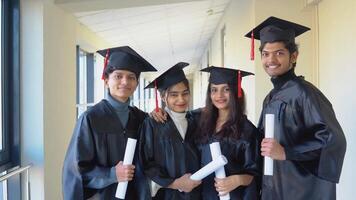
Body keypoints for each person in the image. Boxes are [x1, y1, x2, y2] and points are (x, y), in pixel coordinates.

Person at [245, 16, 347, 200]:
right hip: (275, 187)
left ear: (294, 56)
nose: (271, 59)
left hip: (300, 190)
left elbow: (333, 140)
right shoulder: (271, 97)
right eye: (266, 54)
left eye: (279, 53)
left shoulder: (304, 93)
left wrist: (286, 152)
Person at [62, 46, 163, 200]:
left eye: (131, 77)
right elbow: (76, 171)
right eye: (118, 76)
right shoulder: (90, 119)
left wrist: (159, 119)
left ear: (136, 84)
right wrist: (111, 174)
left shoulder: (141, 119)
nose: (125, 82)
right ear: (106, 80)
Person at [195, 66, 261, 200]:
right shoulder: (201, 122)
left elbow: (255, 173)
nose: (219, 95)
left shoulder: (247, 130)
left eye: (226, 89)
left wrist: (237, 180)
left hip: (233, 196)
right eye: (214, 90)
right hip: (203, 194)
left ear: (237, 92)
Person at [139, 62, 202, 199]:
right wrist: (176, 183)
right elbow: (147, 164)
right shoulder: (152, 124)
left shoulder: (195, 121)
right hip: (167, 195)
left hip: (195, 194)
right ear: (162, 97)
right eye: (174, 95)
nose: (181, 99)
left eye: (185, 93)